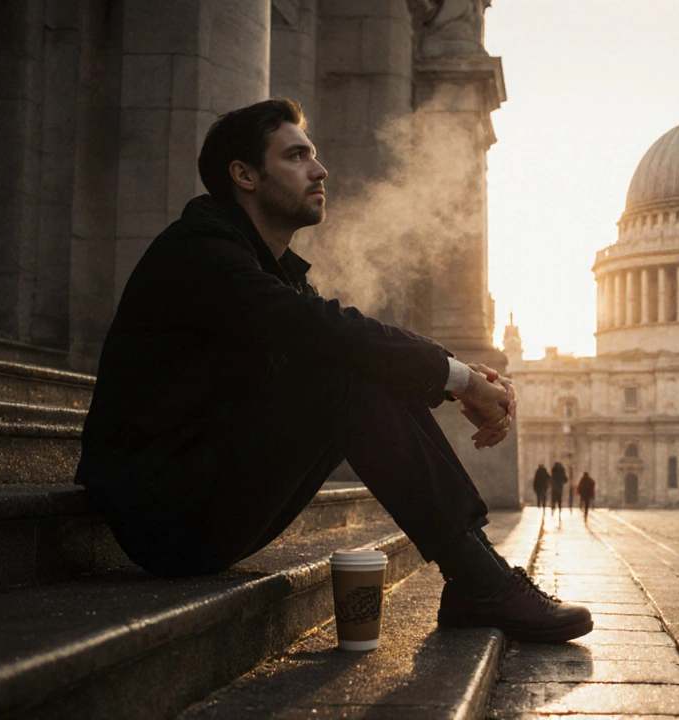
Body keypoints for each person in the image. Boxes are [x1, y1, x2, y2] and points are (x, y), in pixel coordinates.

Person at [74, 98, 591, 643]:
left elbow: (344, 331)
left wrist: (457, 373)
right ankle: (479, 581)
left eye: (314, 156)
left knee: (359, 359)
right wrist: (458, 378)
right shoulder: (199, 251)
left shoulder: (268, 268)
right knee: (344, 368)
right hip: (160, 510)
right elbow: (329, 333)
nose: (320, 170)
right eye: (297, 156)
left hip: (201, 489)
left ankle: (477, 576)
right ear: (244, 175)